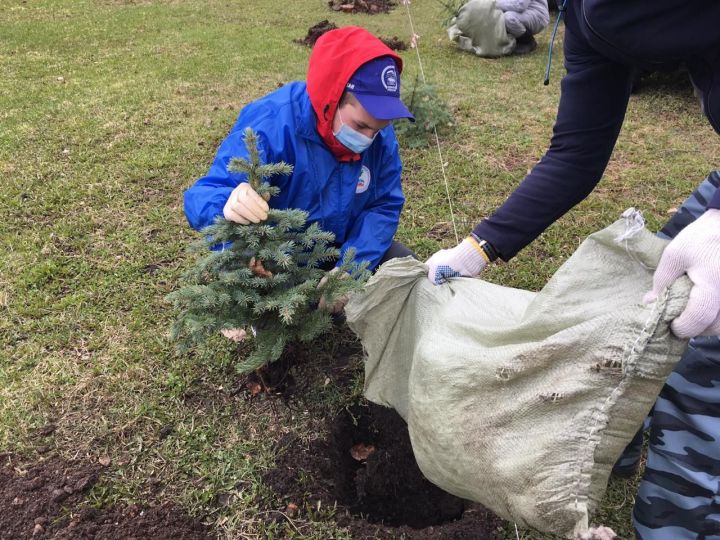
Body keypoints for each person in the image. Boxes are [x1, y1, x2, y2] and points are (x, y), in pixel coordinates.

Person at [426, 0, 720, 538]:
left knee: (703, 359)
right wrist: (478, 247)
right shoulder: (588, 18)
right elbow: (575, 154)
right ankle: (616, 444)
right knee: (644, 298)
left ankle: (681, 518)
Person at [183, 26, 415, 321]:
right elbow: (201, 196)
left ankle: (329, 303)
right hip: (280, 259)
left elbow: (384, 205)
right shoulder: (272, 122)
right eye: (360, 126)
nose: (370, 138)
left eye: (378, 128)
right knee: (260, 298)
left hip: (338, 251)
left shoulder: (380, 134)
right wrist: (227, 202)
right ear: (332, 99)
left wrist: (349, 268)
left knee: (402, 265)